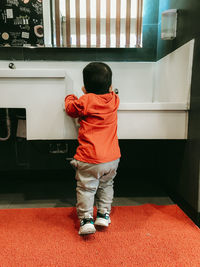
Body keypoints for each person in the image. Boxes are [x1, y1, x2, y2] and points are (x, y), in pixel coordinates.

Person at [65, 62, 121, 235]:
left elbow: (70, 109)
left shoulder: (86, 100)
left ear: (84, 87)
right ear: (110, 86)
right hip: (112, 159)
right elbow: (107, 94)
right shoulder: (114, 99)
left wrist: (70, 97)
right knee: (106, 185)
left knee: (86, 188)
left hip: (89, 158)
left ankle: (86, 219)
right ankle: (104, 214)